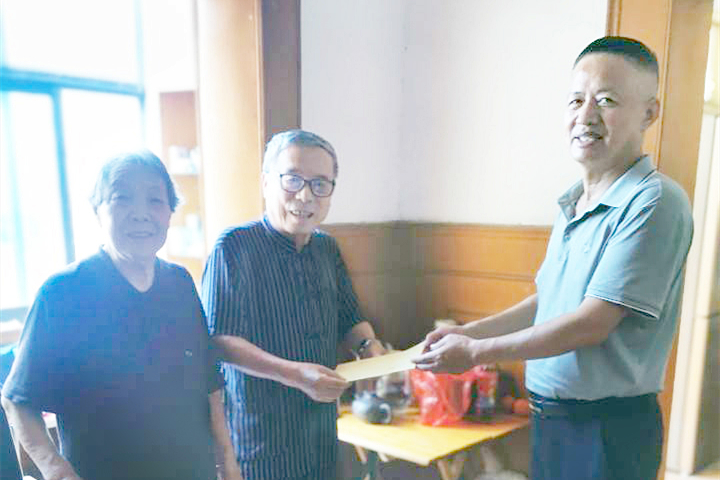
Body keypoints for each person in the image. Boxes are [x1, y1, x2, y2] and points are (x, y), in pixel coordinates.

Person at [412, 37, 693, 480]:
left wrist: (475, 352)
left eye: (606, 100)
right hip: (551, 419)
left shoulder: (656, 201)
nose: (586, 116)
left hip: (606, 429)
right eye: (576, 100)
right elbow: (547, 302)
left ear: (649, 113)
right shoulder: (574, 202)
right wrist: (467, 333)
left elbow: (591, 322)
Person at [1, 150, 242, 480]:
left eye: (155, 200)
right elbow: (17, 400)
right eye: (122, 198)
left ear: (170, 212)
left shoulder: (180, 283)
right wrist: (57, 470)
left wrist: (228, 462)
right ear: (97, 210)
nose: (141, 214)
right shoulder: (63, 292)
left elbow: (210, 385)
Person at [201, 129, 385, 480]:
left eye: (320, 184)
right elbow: (221, 340)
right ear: (266, 182)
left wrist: (369, 347)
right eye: (293, 179)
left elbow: (350, 316)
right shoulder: (234, 246)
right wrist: (296, 375)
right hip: (261, 438)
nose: (305, 195)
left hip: (321, 433)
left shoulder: (326, 248)